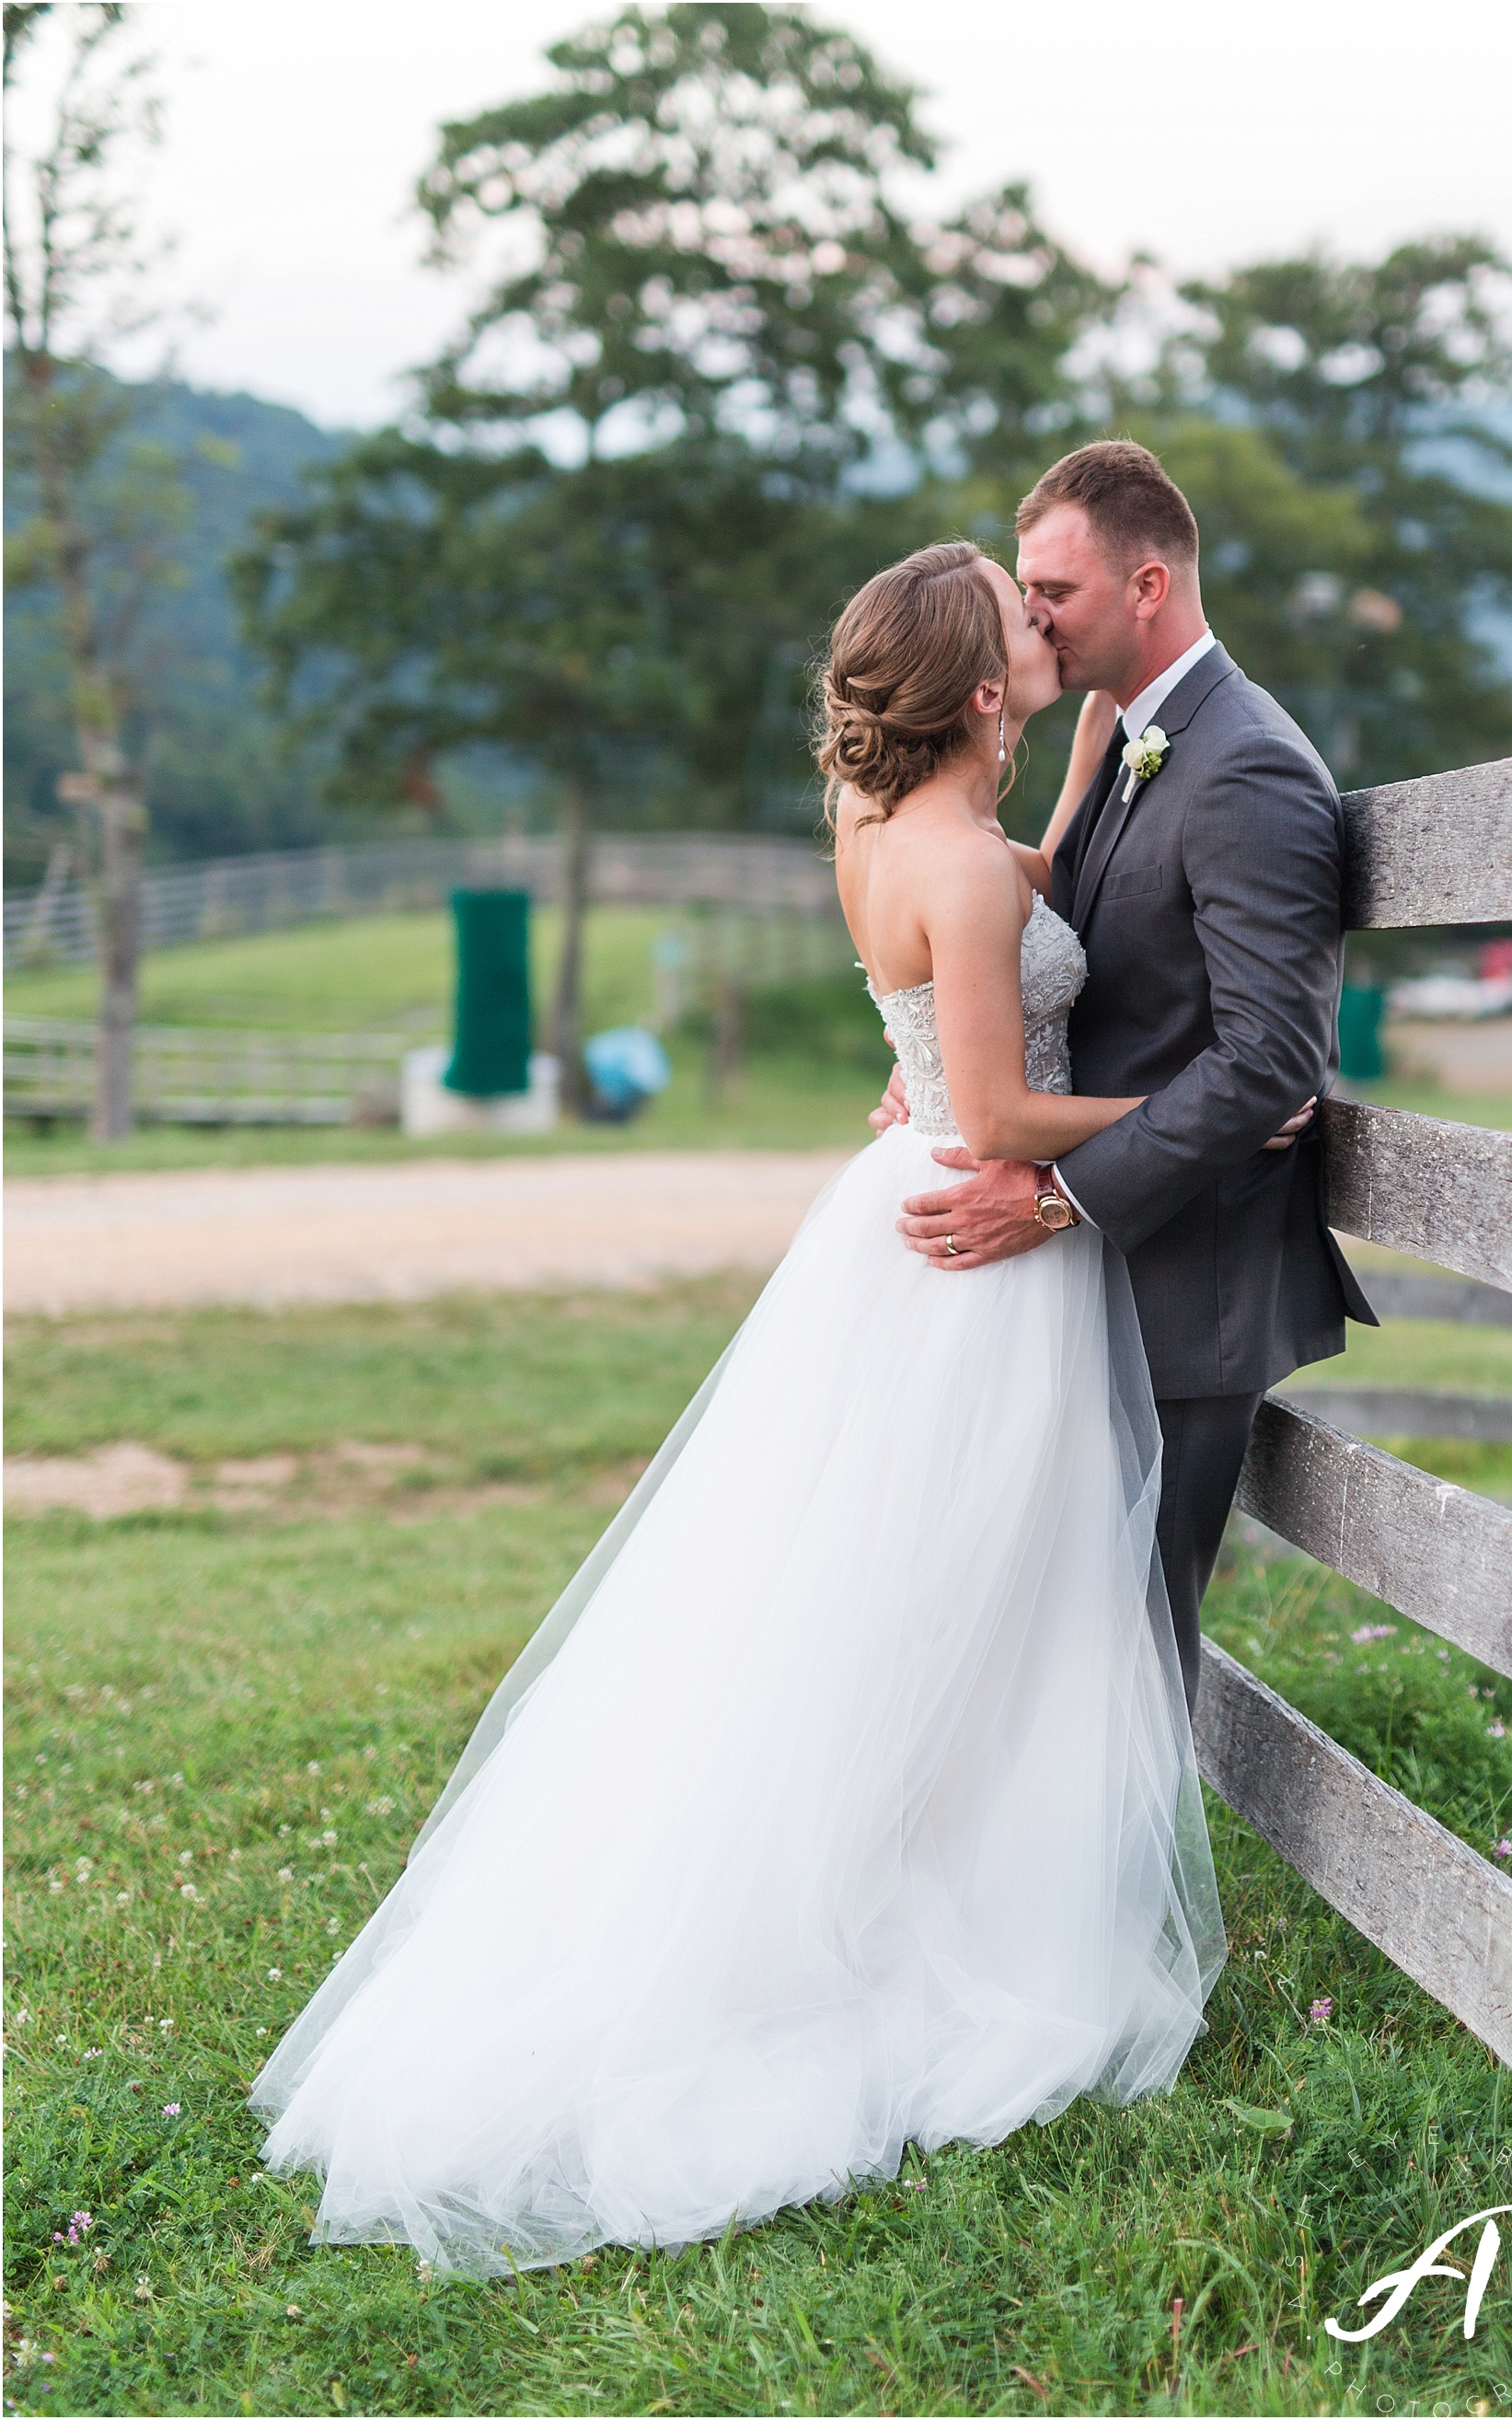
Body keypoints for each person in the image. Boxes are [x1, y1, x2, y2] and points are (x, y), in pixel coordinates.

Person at [251, 539, 1229, 2275]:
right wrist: (1196, 1106)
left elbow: (972, 951)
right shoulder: (973, 877)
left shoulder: (876, 834)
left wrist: (1077, 782)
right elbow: (1002, 1116)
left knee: (869, 1600)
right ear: (986, 689)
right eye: (1025, 624)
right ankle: (909, 1926)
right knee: (976, 1603)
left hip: (887, 1232)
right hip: (976, 1255)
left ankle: (893, 1872)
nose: (1045, 626)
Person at [877, 442, 1376, 1713]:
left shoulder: (1247, 763)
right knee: (1041, 1654)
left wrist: (1056, 1195)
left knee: (1130, 1661)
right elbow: (1045, 938)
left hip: (1190, 1282)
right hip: (1092, 1271)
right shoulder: (1130, 735)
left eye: (1058, 589)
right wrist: (934, 1063)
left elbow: (1269, 1060)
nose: (1032, 615)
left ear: (1149, 584)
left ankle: (1096, 1917)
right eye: (1026, 589)